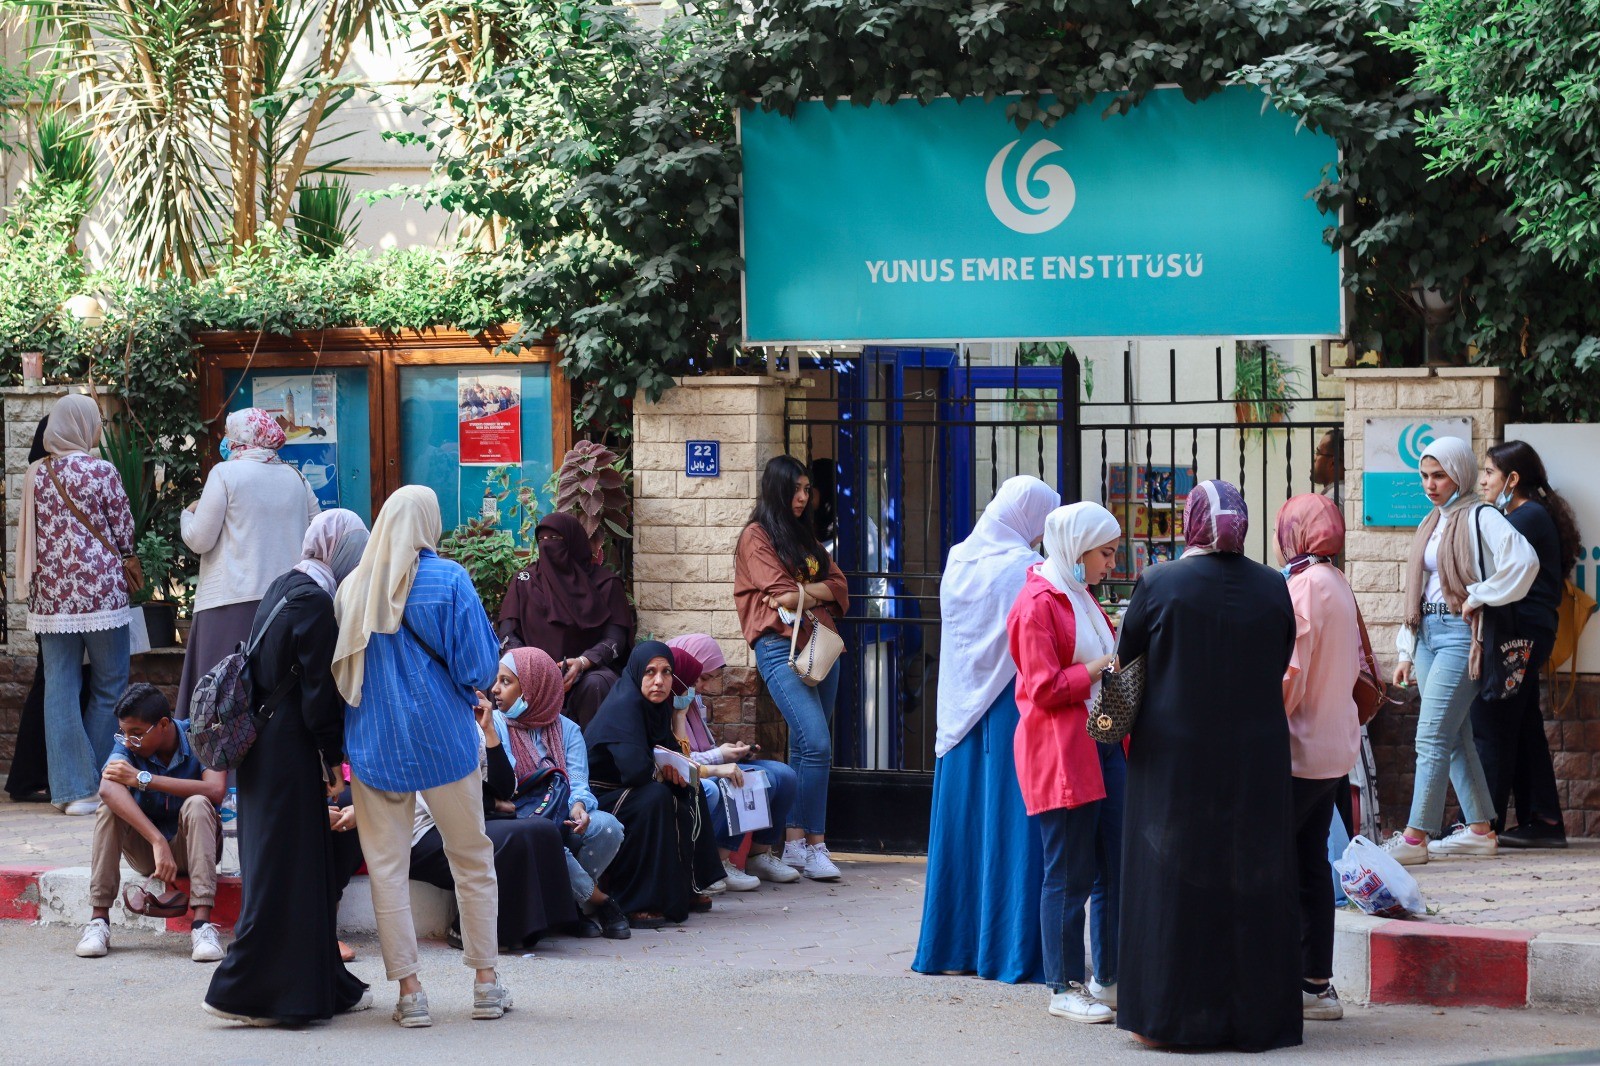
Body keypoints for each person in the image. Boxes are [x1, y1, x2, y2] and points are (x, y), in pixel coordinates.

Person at [1114, 479, 1302, 1051]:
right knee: (1253, 874)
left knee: (1171, 876)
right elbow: (1281, 656)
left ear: (1191, 522)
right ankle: (1256, 1021)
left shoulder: (1159, 582)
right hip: (1256, 752)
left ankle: (1168, 1018)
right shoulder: (1273, 585)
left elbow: (1127, 660)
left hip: (1174, 755)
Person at [332, 485, 510, 1028]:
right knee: (472, 858)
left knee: (387, 869)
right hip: (443, 744)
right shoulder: (449, 580)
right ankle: (486, 983)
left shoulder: (352, 587)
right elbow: (480, 670)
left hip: (375, 746)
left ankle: (410, 993)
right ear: (428, 523)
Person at [203, 509, 372, 1026]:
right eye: (355, 552)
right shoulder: (316, 603)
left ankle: (320, 986)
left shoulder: (285, 584)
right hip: (288, 752)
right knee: (286, 872)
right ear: (339, 551)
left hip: (264, 747)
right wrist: (334, 760)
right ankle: (241, 991)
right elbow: (319, 696)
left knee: (293, 865)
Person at [914, 475, 1058, 985]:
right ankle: (1008, 950)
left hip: (959, 706)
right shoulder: (1027, 568)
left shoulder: (958, 558)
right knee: (1011, 825)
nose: (1041, 532)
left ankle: (952, 945)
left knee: (965, 825)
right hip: (1009, 705)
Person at [1386, 437, 1539, 865]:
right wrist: (1405, 649)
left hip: (1461, 634)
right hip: (1427, 633)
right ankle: (1480, 831)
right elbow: (1421, 589)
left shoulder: (1481, 516)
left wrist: (1479, 596)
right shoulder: (1432, 520)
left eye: (1439, 476)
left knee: (1431, 735)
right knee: (1454, 737)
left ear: (1461, 474)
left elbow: (1524, 561)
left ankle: (1415, 839)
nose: (1429, 484)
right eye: (1424, 476)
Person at [1006, 503, 1124, 1022]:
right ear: (1078, 549)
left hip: (1100, 739)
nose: (1112, 564)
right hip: (1061, 748)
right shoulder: (1036, 602)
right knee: (1069, 872)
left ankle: (1109, 977)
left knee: (1112, 864)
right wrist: (1098, 667)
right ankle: (1063, 986)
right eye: (1106, 553)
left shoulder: (1079, 593)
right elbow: (1043, 688)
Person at [733, 455, 850, 881]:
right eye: (795, 489)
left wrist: (800, 593)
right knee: (816, 742)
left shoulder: (803, 535)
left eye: (806, 489)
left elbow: (840, 586)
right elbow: (779, 592)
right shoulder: (756, 536)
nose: (803, 497)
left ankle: (797, 844)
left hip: (821, 644)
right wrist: (808, 593)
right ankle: (816, 844)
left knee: (807, 746)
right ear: (776, 489)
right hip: (779, 645)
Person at [18, 394, 135, 817]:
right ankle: (95, 785)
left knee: (60, 688)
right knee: (110, 682)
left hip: (51, 597)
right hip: (101, 593)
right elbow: (124, 531)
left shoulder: (36, 474)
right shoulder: (102, 470)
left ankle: (70, 788)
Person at [471, 646, 630, 940]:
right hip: (519, 815)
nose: (495, 689)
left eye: (506, 681)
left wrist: (578, 807)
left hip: (561, 812)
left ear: (535, 686)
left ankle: (571, 904)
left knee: (608, 827)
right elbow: (506, 783)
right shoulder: (495, 725)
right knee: (546, 837)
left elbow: (578, 782)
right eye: (496, 680)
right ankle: (599, 901)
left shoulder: (568, 730)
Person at [1276, 494, 1363, 1022]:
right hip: (1334, 748)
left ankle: (1277, 979)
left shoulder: (1305, 585)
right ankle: (1316, 984)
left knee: (1275, 863)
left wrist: (1263, 719)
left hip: (1300, 749)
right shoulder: (1336, 580)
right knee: (1311, 865)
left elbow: (1291, 673)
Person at [177, 407, 319, 717]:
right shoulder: (296, 478)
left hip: (229, 601)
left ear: (241, 437)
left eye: (229, 434)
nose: (225, 440)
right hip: (284, 602)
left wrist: (187, 515)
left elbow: (200, 539)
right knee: (276, 696)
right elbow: (317, 532)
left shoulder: (225, 474)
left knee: (222, 703)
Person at [1472, 440, 1578, 848]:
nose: (1482, 480)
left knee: (1496, 721)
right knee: (1522, 725)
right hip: (1527, 634)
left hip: (1519, 637)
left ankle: (1485, 824)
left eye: (1489, 473)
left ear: (1512, 479)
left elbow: (1489, 568)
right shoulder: (1527, 514)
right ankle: (1543, 820)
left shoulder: (1525, 517)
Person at [75, 684, 227, 963]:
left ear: (164, 725)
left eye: (136, 734)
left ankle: (202, 925)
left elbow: (216, 790)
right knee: (109, 809)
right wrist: (157, 841)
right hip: (150, 854)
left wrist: (144, 779)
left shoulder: (202, 736)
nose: (128, 741)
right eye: (123, 733)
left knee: (197, 802)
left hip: (195, 848)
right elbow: (107, 788)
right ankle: (98, 921)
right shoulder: (127, 744)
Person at [584, 642, 726, 927]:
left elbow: (669, 752)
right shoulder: (624, 706)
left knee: (690, 789)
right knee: (655, 798)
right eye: (650, 672)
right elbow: (634, 770)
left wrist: (679, 773)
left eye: (666, 672)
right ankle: (637, 900)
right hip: (602, 793)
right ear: (637, 673)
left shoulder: (657, 708)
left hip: (635, 786)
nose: (659, 681)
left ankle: (687, 885)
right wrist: (663, 773)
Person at [665, 636, 802, 889]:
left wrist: (732, 753)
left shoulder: (691, 697)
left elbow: (704, 747)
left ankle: (759, 855)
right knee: (744, 780)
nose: (705, 686)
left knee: (784, 775)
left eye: (709, 678)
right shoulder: (670, 698)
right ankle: (719, 862)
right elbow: (678, 757)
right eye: (702, 677)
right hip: (693, 771)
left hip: (707, 764)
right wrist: (720, 757)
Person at [496, 513, 635, 729]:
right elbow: (507, 632)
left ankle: (592, 750)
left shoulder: (606, 583)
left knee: (597, 684)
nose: (547, 546)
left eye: (554, 539)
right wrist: (529, 667)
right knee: (497, 681)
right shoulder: (525, 581)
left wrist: (583, 662)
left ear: (573, 542)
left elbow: (616, 637)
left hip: (588, 670)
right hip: (531, 672)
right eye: (541, 540)